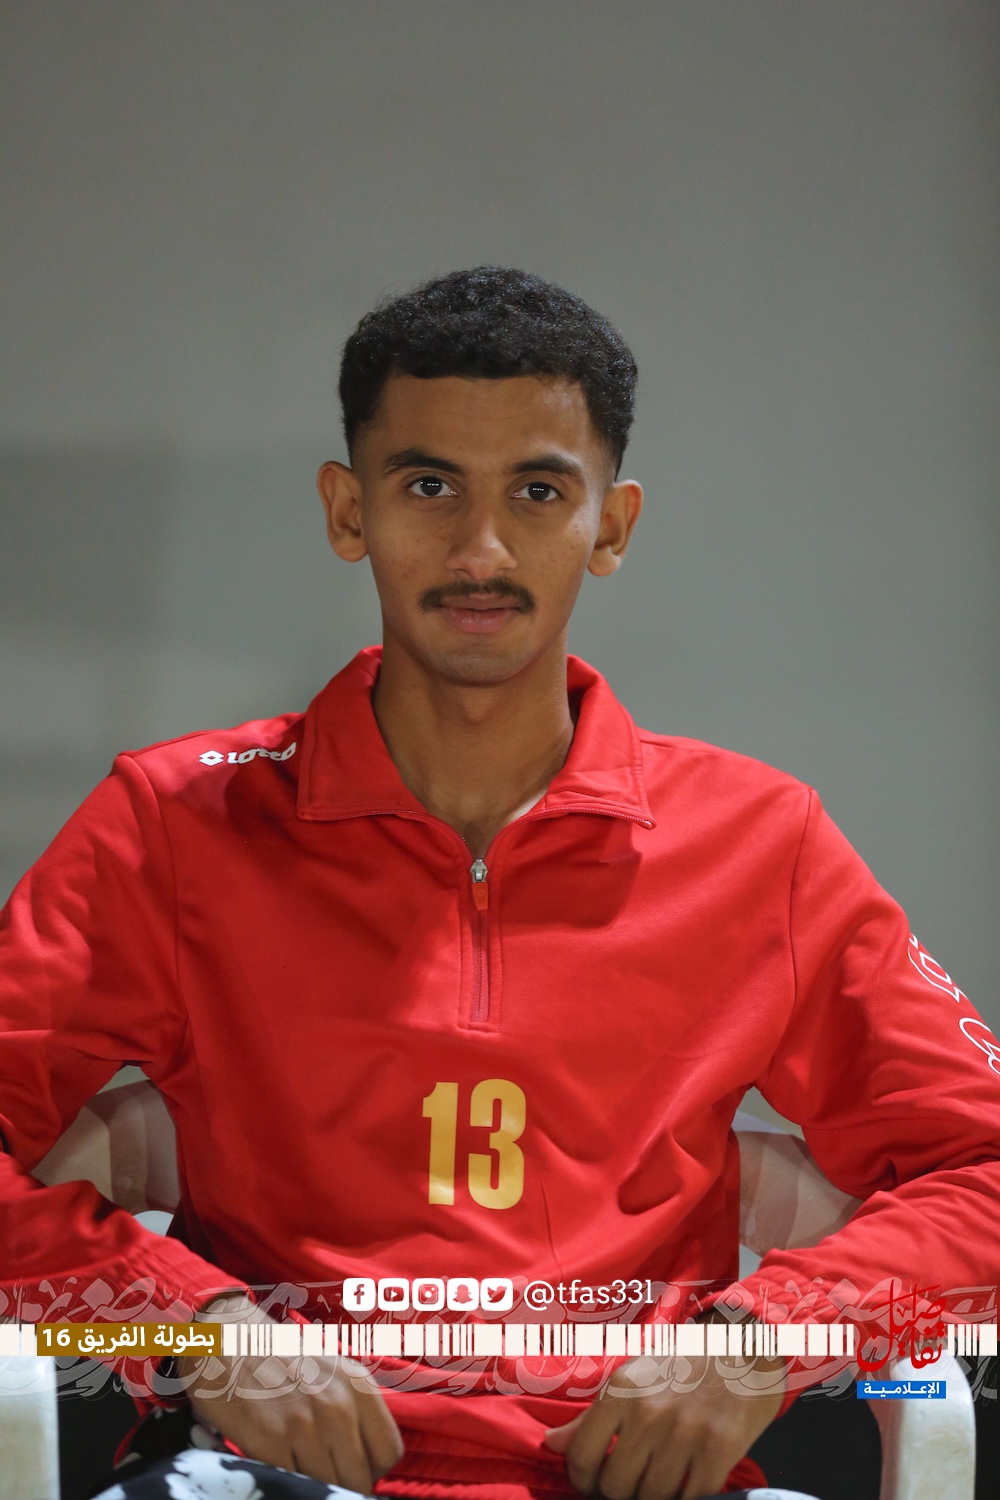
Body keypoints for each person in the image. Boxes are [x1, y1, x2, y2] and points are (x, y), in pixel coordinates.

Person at [1, 268, 998, 1500]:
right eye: (429, 486)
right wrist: (192, 1325)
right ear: (348, 510)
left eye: (537, 492)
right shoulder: (173, 823)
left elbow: (985, 1173)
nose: (480, 550)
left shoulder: (762, 842)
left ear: (611, 526)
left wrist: (766, 1337)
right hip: (266, 1477)